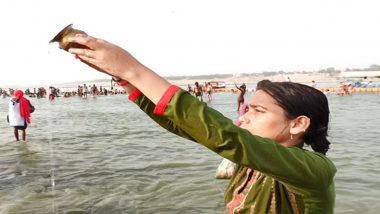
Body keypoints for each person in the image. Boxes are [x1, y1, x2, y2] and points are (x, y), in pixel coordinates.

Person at [67, 34, 336, 213]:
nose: (244, 116)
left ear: (298, 124)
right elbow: (184, 124)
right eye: (248, 108)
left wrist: (132, 69)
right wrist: (124, 79)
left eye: (259, 111)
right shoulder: (252, 159)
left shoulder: (315, 171)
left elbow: (227, 137)